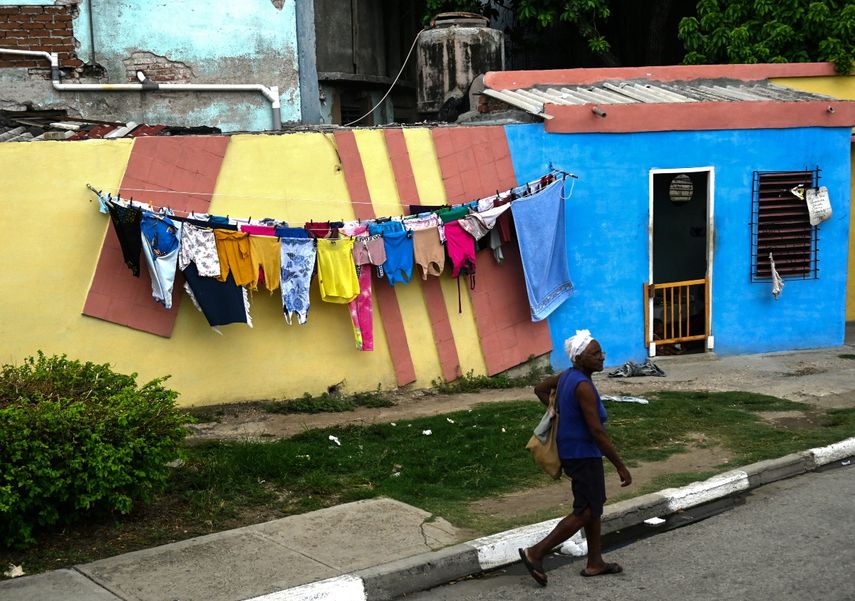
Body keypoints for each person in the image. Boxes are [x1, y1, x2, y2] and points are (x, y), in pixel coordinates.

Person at [519, 329, 632, 586]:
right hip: (583, 455)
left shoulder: (568, 376)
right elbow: (596, 431)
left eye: (601, 352)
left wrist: (557, 412)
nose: (601, 357)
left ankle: (595, 562)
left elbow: (540, 389)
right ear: (579, 358)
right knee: (585, 510)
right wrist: (620, 466)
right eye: (595, 354)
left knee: (594, 507)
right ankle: (535, 553)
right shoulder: (583, 386)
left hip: (573, 452)